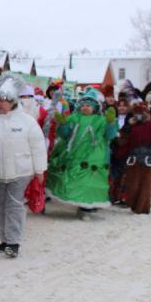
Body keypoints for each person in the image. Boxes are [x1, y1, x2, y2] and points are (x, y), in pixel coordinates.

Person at [0, 75, 47, 258]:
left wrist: (39, 170)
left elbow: (38, 147)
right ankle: (4, 239)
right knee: (0, 206)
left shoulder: (27, 122)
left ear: (13, 101)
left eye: (3, 100)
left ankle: (13, 242)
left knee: (14, 206)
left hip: (20, 173)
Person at [46, 88, 119, 219]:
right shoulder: (74, 118)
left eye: (88, 106)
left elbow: (109, 135)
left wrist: (111, 123)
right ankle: (76, 201)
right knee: (73, 178)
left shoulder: (100, 120)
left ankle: (86, 208)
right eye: (83, 105)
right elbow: (65, 135)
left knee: (89, 180)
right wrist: (62, 125)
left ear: (95, 107)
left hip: (94, 155)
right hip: (74, 153)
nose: (85, 108)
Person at [118, 103, 151, 214]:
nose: (140, 116)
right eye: (137, 113)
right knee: (132, 184)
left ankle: (143, 207)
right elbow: (121, 142)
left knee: (146, 184)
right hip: (134, 157)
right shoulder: (131, 125)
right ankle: (133, 204)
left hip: (149, 157)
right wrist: (127, 128)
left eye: (142, 113)